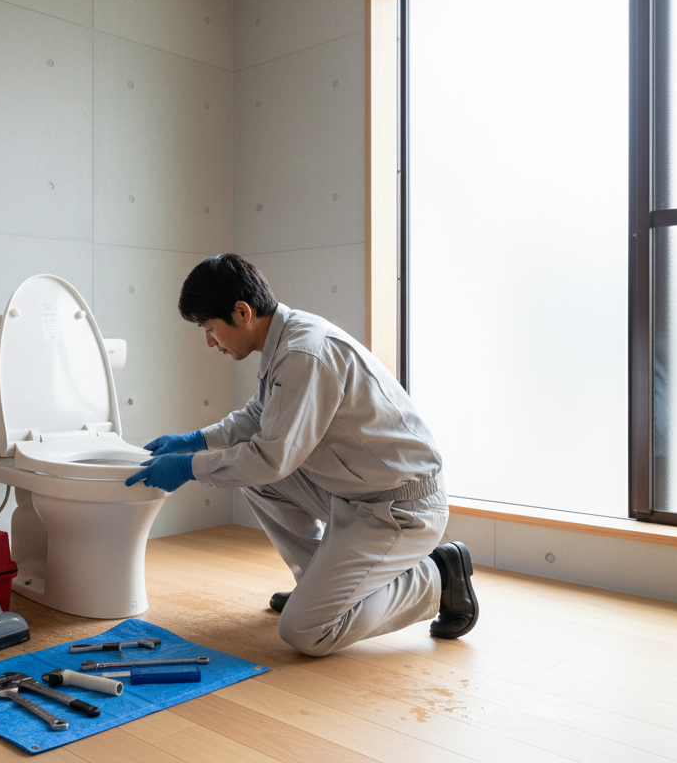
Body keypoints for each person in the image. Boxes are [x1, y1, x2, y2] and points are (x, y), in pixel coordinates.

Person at [125, 254, 478, 657]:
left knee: (306, 631)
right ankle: (319, 586)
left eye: (209, 328)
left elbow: (269, 458)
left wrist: (188, 467)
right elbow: (259, 417)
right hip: (356, 491)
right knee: (254, 479)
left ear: (242, 312)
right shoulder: (286, 338)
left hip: (400, 508)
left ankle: (438, 576)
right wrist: (197, 440)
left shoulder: (304, 354)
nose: (209, 341)